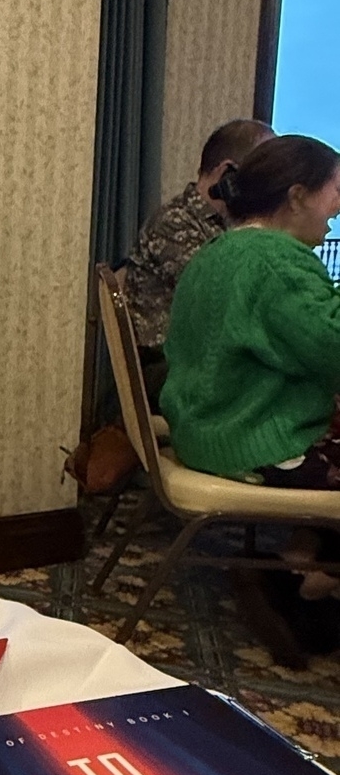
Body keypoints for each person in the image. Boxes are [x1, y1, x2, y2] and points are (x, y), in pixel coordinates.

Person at [161, 134, 340, 661]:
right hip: (251, 442)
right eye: (336, 192)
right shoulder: (277, 263)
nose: (339, 209)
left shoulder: (221, 250)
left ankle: (302, 561)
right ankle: (308, 585)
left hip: (208, 429)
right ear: (299, 195)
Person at [123, 118, 274, 403]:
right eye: (263, 177)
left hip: (202, 362)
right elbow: (224, 302)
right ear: (227, 174)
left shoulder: (226, 226)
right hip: (165, 370)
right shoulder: (174, 224)